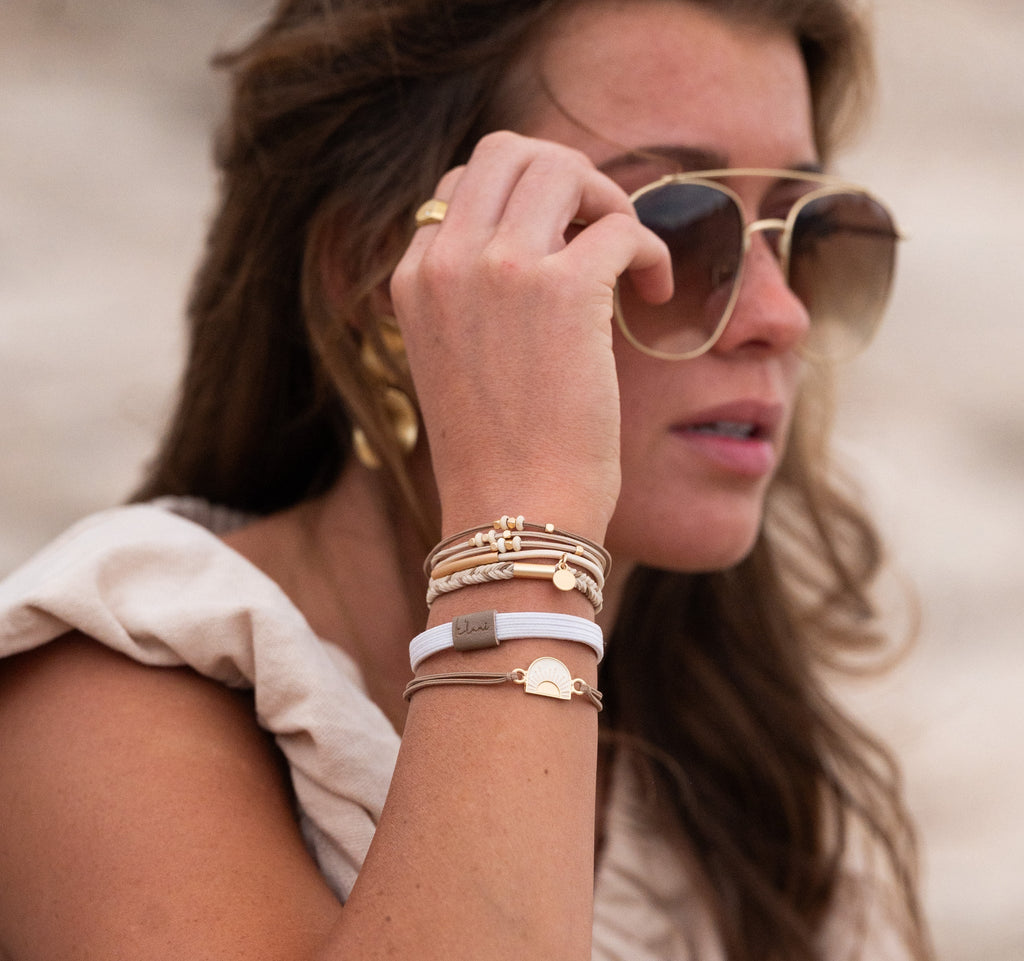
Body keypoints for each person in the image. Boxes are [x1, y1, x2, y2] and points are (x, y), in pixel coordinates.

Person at [0, 0, 932, 958]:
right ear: (378, 279)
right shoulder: (107, 701)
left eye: (809, 230)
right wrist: (527, 512)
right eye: (677, 230)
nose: (780, 315)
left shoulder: (734, 768)